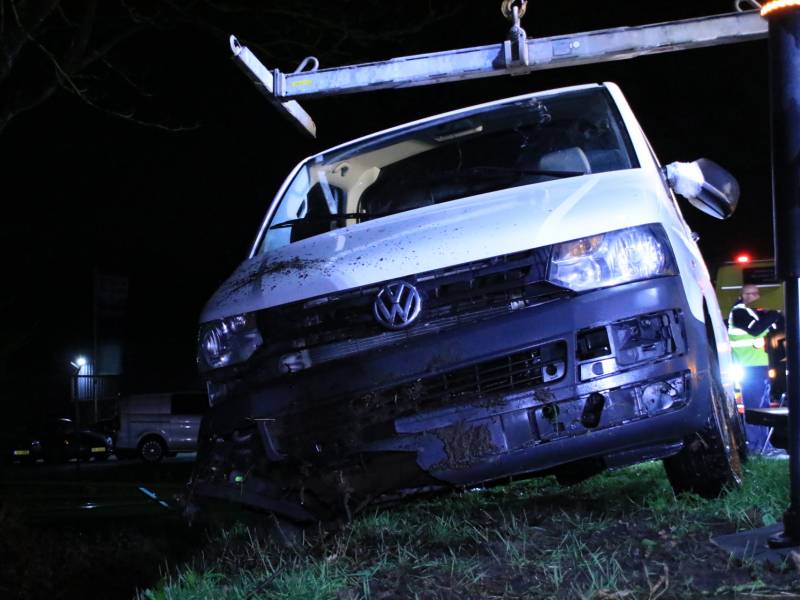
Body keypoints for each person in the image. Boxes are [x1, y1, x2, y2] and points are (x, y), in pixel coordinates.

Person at [728, 284, 783, 453]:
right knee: (754, 409)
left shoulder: (754, 313)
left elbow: (774, 329)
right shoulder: (739, 313)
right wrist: (775, 312)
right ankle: (756, 447)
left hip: (758, 367)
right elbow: (756, 329)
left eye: (756, 293)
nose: (753, 296)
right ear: (742, 295)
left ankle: (765, 447)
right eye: (749, 293)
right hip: (749, 367)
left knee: (762, 408)